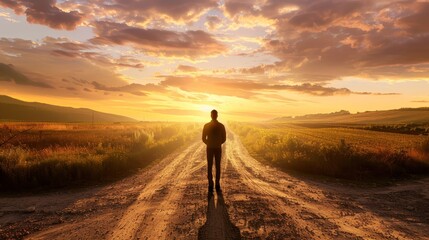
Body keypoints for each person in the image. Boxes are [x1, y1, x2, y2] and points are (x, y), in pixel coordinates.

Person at [202, 109, 226, 192]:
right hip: (217, 148)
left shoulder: (206, 125)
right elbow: (224, 139)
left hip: (210, 148)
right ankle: (217, 184)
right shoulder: (221, 126)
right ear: (217, 115)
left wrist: (209, 143)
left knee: (210, 165)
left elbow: (203, 138)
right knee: (217, 166)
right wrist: (218, 143)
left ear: (211, 115)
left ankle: (210, 184)